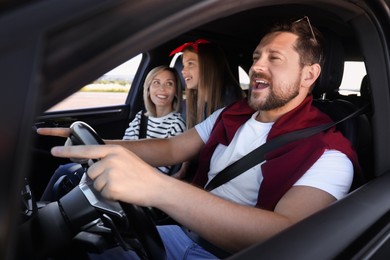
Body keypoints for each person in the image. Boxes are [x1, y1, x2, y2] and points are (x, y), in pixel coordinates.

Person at [38, 17, 360, 259]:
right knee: (77, 244)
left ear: (309, 74)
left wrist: (157, 188)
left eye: (274, 59)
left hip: (225, 254)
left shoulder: (329, 152)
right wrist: (98, 146)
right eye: (256, 57)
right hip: (180, 231)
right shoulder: (232, 114)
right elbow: (172, 147)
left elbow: (286, 234)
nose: (257, 67)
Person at [40, 65, 185, 201]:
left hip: (139, 183)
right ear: (148, 89)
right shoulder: (141, 117)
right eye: (156, 83)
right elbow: (125, 147)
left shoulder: (176, 125)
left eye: (169, 84)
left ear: (176, 91)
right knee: (64, 171)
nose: (162, 89)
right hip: (122, 170)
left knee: (72, 177)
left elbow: (161, 172)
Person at [169, 39, 245, 180]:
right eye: (183, 65)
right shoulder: (187, 105)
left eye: (190, 64)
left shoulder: (231, 104)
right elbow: (188, 142)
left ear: (208, 66)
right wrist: (182, 172)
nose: (183, 70)